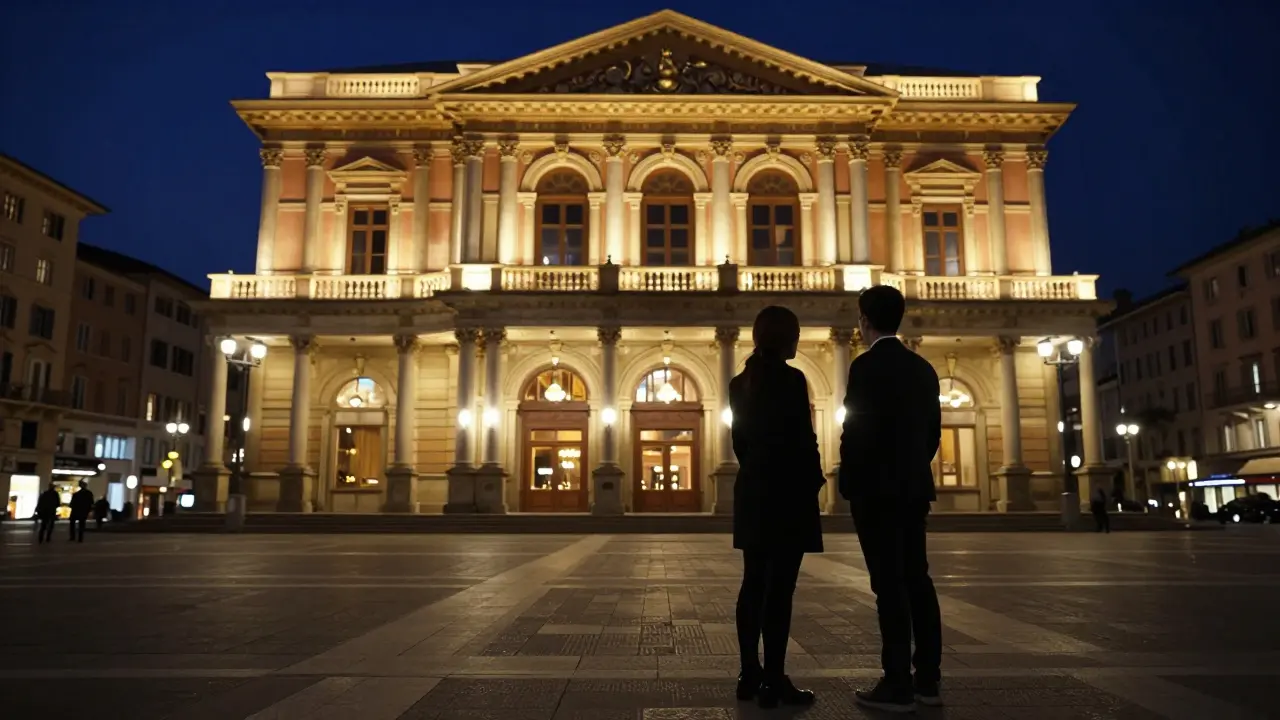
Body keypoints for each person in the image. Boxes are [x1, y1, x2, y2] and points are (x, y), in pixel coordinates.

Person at [840, 284, 944, 713]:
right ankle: (929, 680)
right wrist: (913, 467)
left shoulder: (865, 368)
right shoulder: (923, 369)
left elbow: (856, 430)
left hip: (876, 493)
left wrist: (850, 480)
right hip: (913, 488)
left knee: (888, 586)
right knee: (917, 579)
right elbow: (933, 434)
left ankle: (897, 681)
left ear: (864, 321)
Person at [728, 305, 824, 709]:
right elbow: (803, 438)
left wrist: (755, 470)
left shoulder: (740, 383)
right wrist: (815, 478)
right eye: (796, 333)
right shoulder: (792, 379)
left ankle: (749, 673)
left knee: (753, 584)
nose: (799, 340)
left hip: (753, 490)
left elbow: (740, 442)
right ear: (787, 338)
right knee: (780, 590)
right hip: (788, 493)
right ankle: (774, 678)